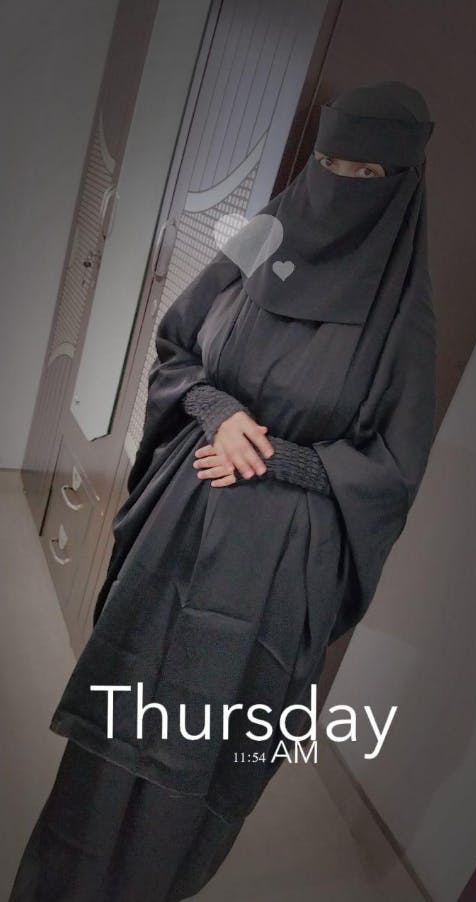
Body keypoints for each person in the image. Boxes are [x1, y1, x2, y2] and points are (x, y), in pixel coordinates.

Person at [9, 79, 436, 901]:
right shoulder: (261, 237)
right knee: (120, 719)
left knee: (197, 749)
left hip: (275, 569)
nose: (340, 185)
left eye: (366, 174)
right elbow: (177, 346)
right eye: (329, 163)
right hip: (180, 524)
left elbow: (392, 467)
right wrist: (218, 411)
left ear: (402, 185)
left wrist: (284, 460)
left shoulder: (401, 317)